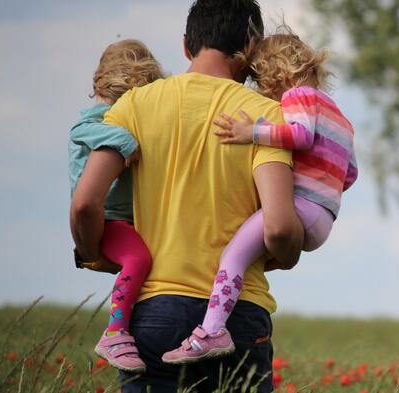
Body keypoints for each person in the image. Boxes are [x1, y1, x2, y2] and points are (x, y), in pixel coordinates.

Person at [70, 0, 304, 391]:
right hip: (238, 315)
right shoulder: (265, 117)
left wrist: (95, 253)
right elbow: (279, 227)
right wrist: (288, 255)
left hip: (153, 312)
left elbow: (84, 203)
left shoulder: (133, 105)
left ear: (186, 46)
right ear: (251, 48)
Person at [162, 28, 358, 364]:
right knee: (251, 255)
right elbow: (350, 174)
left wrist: (251, 132)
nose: (261, 90)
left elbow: (300, 135)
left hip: (300, 207)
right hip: (324, 217)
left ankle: (211, 331)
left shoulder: (298, 95)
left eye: (260, 80)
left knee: (232, 257)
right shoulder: (341, 117)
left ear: (276, 73)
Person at [69, 39, 163, 373]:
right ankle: (115, 331)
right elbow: (81, 130)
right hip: (108, 219)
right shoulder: (99, 118)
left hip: (124, 219)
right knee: (139, 259)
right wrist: (126, 141)